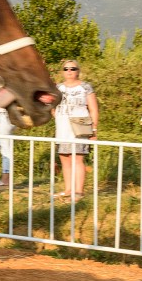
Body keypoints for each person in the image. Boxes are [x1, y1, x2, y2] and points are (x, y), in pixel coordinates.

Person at [53, 60, 99, 201]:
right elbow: (52, 106)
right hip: (62, 129)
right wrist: (58, 116)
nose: (69, 71)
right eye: (66, 69)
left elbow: (93, 109)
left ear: (78, 71)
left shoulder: (85, 87)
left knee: (77, 159)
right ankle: (68, 189)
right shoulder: (58, 88)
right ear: (62, 71)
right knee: (65, 159)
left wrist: (94, 129)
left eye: (73, 68)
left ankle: (78, 191)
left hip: (79, 128)